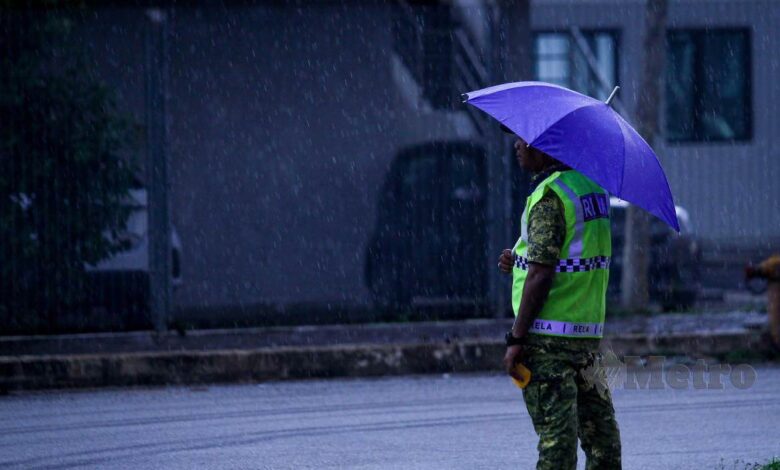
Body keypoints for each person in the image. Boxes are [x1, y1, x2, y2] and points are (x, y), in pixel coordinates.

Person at [497, 130, 622, 470]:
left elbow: (541, 273)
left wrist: (516, 338)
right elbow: (567, 255)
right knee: (603, 444)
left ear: (543, 146)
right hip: (584, 337)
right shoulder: (591, 190)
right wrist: (518, 257)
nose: (517, 145)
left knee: (557, 445)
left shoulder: (550, 197)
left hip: (546, 341)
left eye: (522, 139)